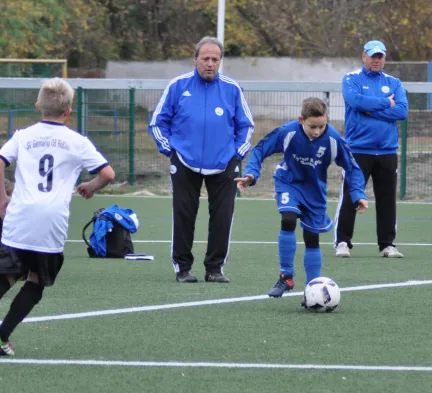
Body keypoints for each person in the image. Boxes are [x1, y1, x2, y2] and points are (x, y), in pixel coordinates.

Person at [0, 77, 115, 356]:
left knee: (6, 276)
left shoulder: (23, 135)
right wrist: (90, 186)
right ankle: (1, 337)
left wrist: (3, 197)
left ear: (38, 105)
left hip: (19, 217)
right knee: (36, 282)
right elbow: (108, 174)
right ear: (68, 111)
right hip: (50, 223)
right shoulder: (77, 141)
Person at [235, 97, 369, 300]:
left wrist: (358, 194)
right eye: (312, 126)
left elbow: (352, 167)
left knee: (311, 238)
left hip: (315, 192)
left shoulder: (333, 139)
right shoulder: (287, 132)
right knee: (288, 219)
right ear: (301, 120)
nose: (317, 131)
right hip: (288, 182)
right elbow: (260, 149)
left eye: (321, 126)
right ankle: (286, 276)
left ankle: (311, 290)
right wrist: (252, 174)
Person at [149, 36, 255, 284]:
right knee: (184, 214)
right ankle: (182, 268)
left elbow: (246, 126)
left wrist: (237, 154)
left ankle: (215, 268)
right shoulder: (178, 86)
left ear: (220, 61)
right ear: (195, 59)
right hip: (184, 162)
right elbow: (158, 122)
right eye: (205, 58)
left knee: (222, 216)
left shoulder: (232, 89)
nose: (210, 63)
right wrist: (170, 150)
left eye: (215, 59)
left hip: (224, 163)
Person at [334, 40, 408, 258]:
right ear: (363, 56)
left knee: (387, 199)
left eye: (380, 56)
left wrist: (372, 108)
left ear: (384, 58)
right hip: (358, 150)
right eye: (373, 56)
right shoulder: (351, 79)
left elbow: (402, 111)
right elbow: (356, 102)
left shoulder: (394, 82)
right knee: (350, 196)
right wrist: (386, 103)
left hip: (386, 151)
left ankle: (387, 244)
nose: (377, 60)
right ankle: (342, 242)